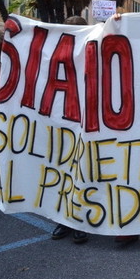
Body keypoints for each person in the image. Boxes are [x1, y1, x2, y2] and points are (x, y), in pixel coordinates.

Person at [51, 17, 89, 244]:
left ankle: (78, 222)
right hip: (63, 120)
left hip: (89, 123)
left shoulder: (97, 49)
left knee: (83, 173)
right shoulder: (56, 52)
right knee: (66, 173)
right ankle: (66, 220)